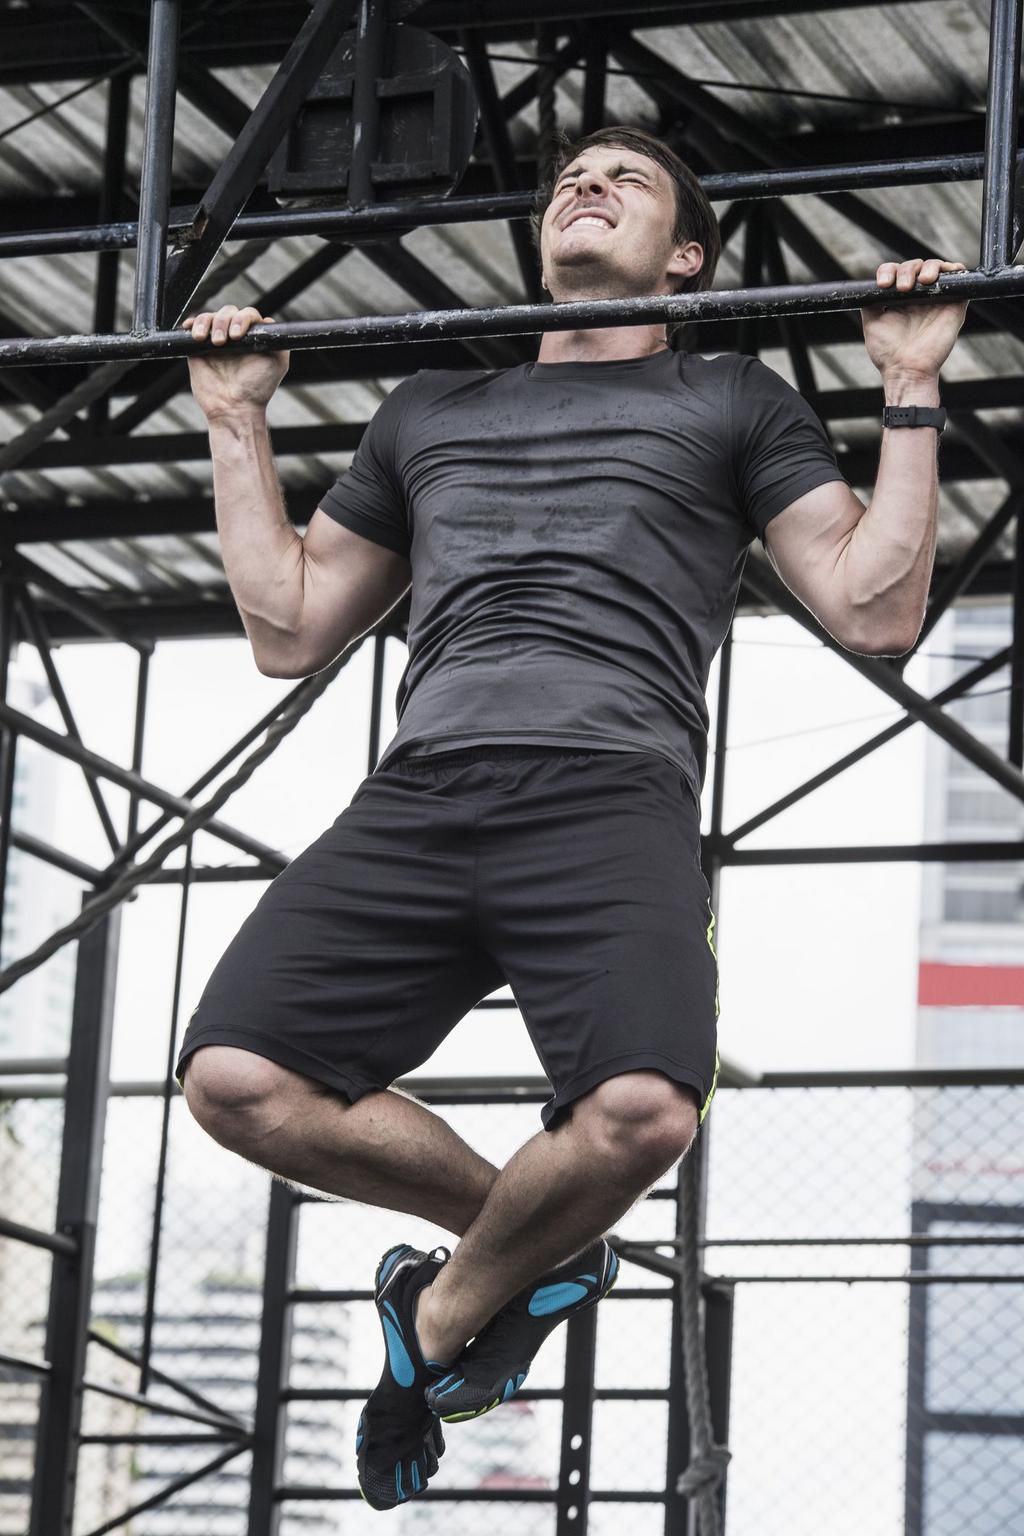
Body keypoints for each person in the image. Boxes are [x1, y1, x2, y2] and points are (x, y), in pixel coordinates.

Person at [175, 126, 968, 1509]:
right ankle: (542, 1247)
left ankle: (437, 1315)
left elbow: (876, 608)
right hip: (424, 786)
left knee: (644, 1112)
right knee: (235, 1080)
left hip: (611, 788)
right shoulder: (431, 408)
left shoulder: (731, 396)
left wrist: (908, 384)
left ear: (687, 258)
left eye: (626, 180)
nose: (584, 187)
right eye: (567, 180)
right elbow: (288, 626)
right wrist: (235, 416)